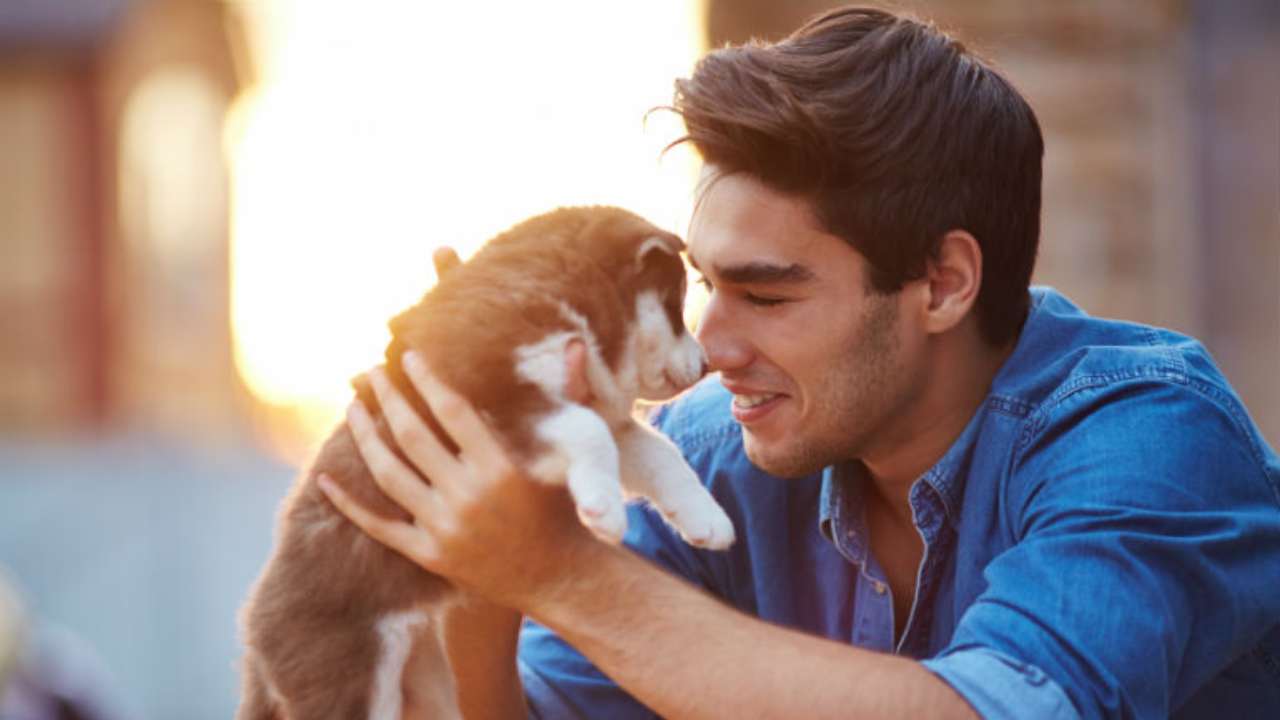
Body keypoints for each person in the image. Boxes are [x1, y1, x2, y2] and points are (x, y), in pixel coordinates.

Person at [319, 6, 1280, 718]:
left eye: (769, 296)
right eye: (707, 287)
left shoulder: (1149, 435)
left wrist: (561, 573)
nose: (710, 350)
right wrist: (485, 566)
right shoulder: (717, 453)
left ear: (943, 283)